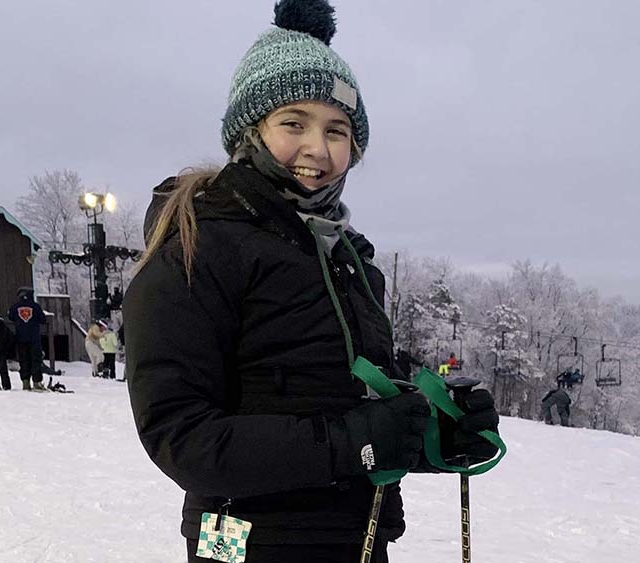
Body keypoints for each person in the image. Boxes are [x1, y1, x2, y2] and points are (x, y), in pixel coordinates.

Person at [124, 2, 499, 561]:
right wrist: (358, 443)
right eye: (293, 122)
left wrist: (437, 434)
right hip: (251, 544)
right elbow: (183, 439)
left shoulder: (351, 264)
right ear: (250, 130)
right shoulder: (199, 249)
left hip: (356, 539)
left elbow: (359, 405)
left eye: (337, 130)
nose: (317, 149)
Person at [7, 287, 46, 391]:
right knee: (36, 360)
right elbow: (43, 319)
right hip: (34, 338)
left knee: (24, 360)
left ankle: (25, 382)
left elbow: (10, 317)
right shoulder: (36, 307)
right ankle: (37, 382)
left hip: (20, 338)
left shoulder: (15, 307)